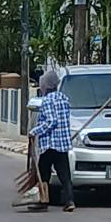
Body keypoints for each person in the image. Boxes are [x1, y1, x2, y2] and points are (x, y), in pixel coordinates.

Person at [32, 68, 75, 212]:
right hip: (62, 145)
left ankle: (43, 201)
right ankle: (69, 201)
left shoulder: (47, 101)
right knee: (64, 174)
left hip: (50, 145)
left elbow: (51, 121)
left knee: (43, 173)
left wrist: (34, 132)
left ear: (46, 86)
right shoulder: (64, 99)